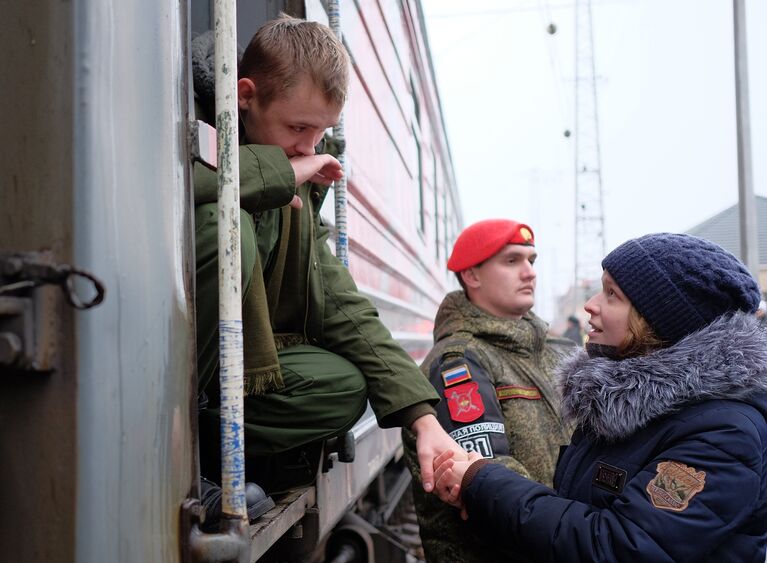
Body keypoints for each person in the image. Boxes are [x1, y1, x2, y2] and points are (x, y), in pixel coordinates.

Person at [191, 15, 462, 510]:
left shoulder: (292, 165)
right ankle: (180, 456)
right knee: (224, 230)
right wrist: (279, 173)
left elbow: (341, 301)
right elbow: (175, 176)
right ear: (244, 95)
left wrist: (423, 418)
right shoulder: (186, 107)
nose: (309, 148)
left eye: (320, 134)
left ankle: (210, 446)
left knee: (341, 386)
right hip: (165, 357)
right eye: (298, 128)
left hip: (231, 371)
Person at [433, 233, 767, 562]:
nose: (590, 304)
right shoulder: (626, 401)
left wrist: (483, 483)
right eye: (511, 260)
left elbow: (622, 546)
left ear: (657, 319)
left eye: (611, 294)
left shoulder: (724, 432)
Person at [401, 219, 574, 563]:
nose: (529, 272)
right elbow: (485, 480)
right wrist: (585, 528)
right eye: (512, 261)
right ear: (472, 276)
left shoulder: (553, 350)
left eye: (531, 260)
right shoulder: (459, 361)